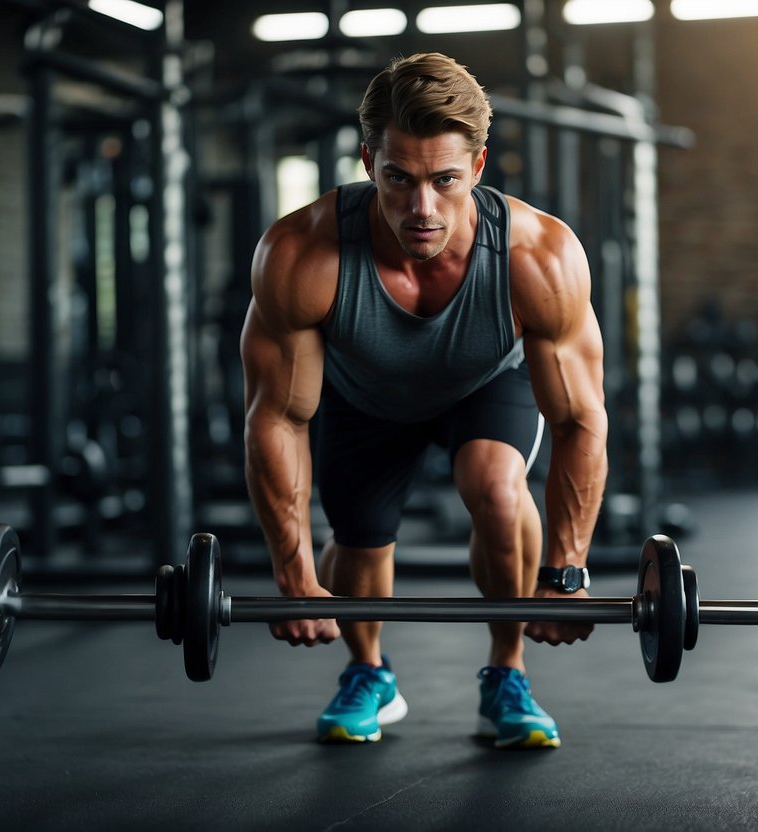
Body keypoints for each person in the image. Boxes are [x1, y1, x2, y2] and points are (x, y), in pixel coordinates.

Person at [241, 52, 608, 749]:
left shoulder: (538, 257)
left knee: (497, 489)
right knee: (358, 535)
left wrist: (564, 571)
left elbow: (578, 420)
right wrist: (293, 575)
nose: (421, 208)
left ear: (476, 166)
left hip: (483, 382)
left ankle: (507, 672)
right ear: (366, 160)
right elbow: (279, 415)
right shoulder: (301, 252)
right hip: (362, 391)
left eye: (443, 180)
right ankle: (368, 673)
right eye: (397, 180)